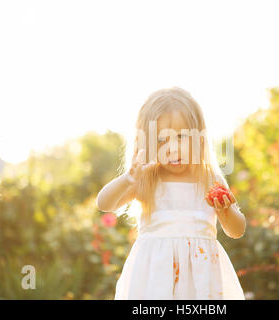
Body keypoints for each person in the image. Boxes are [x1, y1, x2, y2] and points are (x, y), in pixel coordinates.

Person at [97, 86, 246, 299]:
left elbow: (236, 230)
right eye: (161, 140)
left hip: (200, 282)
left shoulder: (208, 178)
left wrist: (226, 211)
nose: (173, 148)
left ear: (199, 137)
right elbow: (104, 203)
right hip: (154, 279)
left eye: (181, 136)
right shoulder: (147, 179)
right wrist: (128, 179)